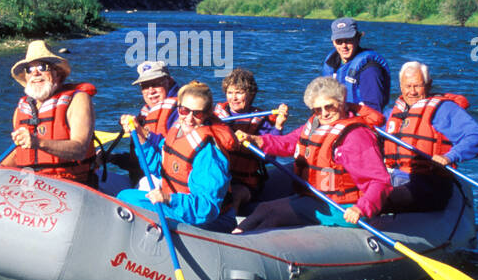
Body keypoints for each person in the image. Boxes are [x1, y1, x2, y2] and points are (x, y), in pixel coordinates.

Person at [233, 77, 389, 232]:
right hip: (317, 199)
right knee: (264, 209)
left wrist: (361, 208)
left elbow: (380, 181)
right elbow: (289, 142)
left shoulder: (356, 136)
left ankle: (242, 242)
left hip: (343, 208)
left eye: (329, 107)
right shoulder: (316, 123)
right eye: (317, 109)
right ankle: (235, 237)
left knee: (272, 215)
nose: (324, 113)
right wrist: (256, 140)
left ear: (341, 102)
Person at [117, 80, 234, 230]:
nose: (189, 118)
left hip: (210, 220)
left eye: (197, 113)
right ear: (178, 108)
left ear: (207, 113)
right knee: (125, 196)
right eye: (184, 110)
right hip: (181, 207)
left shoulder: (209, 153)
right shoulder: (178, 132)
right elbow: (158, 166)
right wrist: (139, 134)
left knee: (128, 200)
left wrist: (169, 198)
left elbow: (207, 208)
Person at [380, 61, 478, 213]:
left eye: (418, 86)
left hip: (430, 184)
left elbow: (476, 136)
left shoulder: (444, 110)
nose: (412, 92)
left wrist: (449, 157)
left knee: (378, 199)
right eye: (407, 86)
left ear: (429, 85)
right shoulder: (391, 114)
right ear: (401, 86)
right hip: (395, 178)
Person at [0, 40, 98, 186]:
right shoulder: (21, 110)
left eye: (43, 67)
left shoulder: (78, 100)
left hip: (72, 184)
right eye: (29, 70)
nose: (35, 73)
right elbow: (18, 153)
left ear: (57, 74)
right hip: (31, 185)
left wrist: (39, 142)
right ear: (26, 77)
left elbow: (80, 149)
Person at [213, 68, 287, 213]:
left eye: (239, 93)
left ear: (251, 94)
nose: (233, 98)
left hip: (244, 183)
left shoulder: (260, 121)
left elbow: (269, 157)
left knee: (235, 194)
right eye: (230, 93)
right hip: (219, 176)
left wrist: (278, 126)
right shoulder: (215, 116)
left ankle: (228, 223)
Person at [321, 17, 391, 115]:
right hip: (338, 118)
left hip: (361, 123)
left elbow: (374, 113)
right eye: (339, 41)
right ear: (333, 42)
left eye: (348, 40)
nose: (344, 46)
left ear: (357, 39)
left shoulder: (370, 70)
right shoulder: (332, 63)